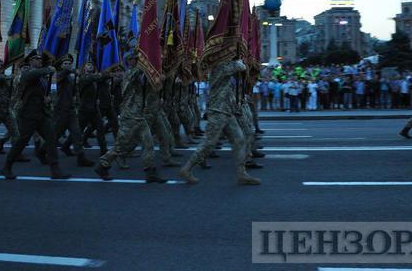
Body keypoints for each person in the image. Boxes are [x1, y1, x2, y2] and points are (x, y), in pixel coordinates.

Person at [179, 59, 260, 185]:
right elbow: (241, 66)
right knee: (209, 143)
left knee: (239, 140)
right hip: (218, 110)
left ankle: (241, 173)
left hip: (227, 110)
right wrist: (239, 56)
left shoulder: (225, 67)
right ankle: (187, 169)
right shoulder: (219, 67)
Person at [94, 49, 167, 183]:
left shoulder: (140, 75)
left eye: (137, 59)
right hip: (129, 115)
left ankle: (150, 172)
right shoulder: (128, 74)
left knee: (148, 143)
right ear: (129, 61)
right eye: (134, 59)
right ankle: (102, 165)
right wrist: (145, 60)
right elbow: (137, 74)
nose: (137, 61)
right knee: (121, 146)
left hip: (139, 115)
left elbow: (151, 86)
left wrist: (159, 78)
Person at [0, 50, 71, 180]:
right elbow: (34, 74)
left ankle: (55, 170)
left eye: (40, 59)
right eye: (36, 59)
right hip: (28, 114)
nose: (39, 60)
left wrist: (48, 98)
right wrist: (48, 69)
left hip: (41, 113)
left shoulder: (41, 77)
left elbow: (45, 90)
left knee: (51, 138)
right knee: (22, 141)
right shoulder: (28, 73)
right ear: (31, 61)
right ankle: (7, 166)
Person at [50, 54, 94, 167]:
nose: (68, 65)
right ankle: (42, 151)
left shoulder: (70, 78)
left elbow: (74, 92)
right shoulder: (59, 75)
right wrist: (72, 70)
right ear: (61, 66)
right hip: (61, 110)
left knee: (77, 133)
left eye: (69, 63)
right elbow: (63, 75)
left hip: (70, 109)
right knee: (55, 134)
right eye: (65, 63)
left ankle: (81, 158)